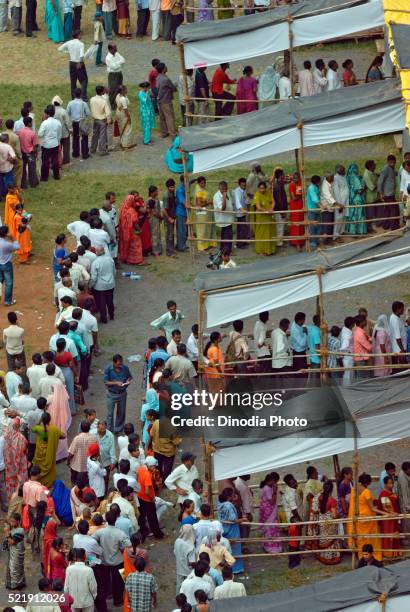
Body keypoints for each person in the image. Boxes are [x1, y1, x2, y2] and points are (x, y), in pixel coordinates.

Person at [347, 473, 385, 561]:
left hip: (358, 519)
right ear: (368, 482)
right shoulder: (366, 492)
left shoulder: (353, 489)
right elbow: (372, 508)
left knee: (361, 539)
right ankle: (372, 555)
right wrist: (385, 513)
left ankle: (362, 556)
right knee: (370, 538)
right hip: (367, 519)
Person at [32, 412, 65, 487]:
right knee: (49, 465)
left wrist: (39, 422)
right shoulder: (54, 430)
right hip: (49, 453)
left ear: (42, 420)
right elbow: (64, 436)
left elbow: (33, 429)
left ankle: (39, 480)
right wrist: (56, 436)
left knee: (39, 466)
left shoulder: (38, 429)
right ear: (50, 420)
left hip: (40, 452)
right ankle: (49, 482)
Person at [217, 487, 245, 574]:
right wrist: (243, 519)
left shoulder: (220, 504)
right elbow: (233, 519)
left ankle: (226, 566)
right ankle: (236, 568)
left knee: (226, 549)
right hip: (232, 530)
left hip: (224, 529)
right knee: (235, 548)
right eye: (233, 495)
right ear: (230, 496)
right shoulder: (229, 506)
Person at [104, 353, 132, 434]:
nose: (120, 365)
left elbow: (129, 377)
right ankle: (109, 430)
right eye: (118, 363)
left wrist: (128, 381)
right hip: (111, 394)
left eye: (121, 363)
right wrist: (116, 383)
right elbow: (106, 382)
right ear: (114, 362)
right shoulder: (108, 369)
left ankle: (118, 429)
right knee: (110, 414)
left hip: (122, 393)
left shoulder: (125, 368)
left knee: (121, 412)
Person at [137, 456, 165, 539]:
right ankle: (158, 534)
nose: (154, 468)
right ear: (149, 465)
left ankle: (144, 530)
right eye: (153, 466)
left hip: (140, 496)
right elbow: (147, 491)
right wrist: (152, 499)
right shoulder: (148, 475)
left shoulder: (142, 468)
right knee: (152, 518)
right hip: (147, 499)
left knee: (142, 515)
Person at [58, 31, 88, 100]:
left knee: (73, 81)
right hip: (78, 62)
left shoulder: (69, 42)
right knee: (84, 80)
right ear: (78, 35)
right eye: (80, 34)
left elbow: (59, 49)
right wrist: (80, 63)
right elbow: (81, 55)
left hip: (71, 63)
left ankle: (73, 97)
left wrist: (68, 52)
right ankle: (83, 96)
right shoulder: (81, 44)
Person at [316, 481, 340, 565]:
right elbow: (334, 515)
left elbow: (319, 509)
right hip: (329, 523)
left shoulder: (320, 497)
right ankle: (331, 557)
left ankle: (323, 555)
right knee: (331, 538)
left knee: (324, 537)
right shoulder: (332, 500)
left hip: (322, 521)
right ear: (332, 490)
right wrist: (339, 515)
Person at [90, 247, 116, 323]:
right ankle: (111, 315)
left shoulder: (95, 262)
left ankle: (104, 318)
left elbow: (94, 277)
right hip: (110, 284)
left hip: (100, 286)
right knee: (110, 300)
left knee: (102, 302)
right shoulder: (110, 260)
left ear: (97, 252)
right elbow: (114, 271)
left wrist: (91, 285)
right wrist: (112, 280)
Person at [4, 417, 27, 499]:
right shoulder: (21, 438)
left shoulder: (6, 436)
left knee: (11, 481)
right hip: (20, 464)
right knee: (20, 480)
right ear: (18, 426)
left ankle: (12, 498)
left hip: (10, 466)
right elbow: (24, 450)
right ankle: (21, 498)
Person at [47, 383, 72, 461]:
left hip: (53, 419)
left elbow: (46, 405)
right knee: (62, 436)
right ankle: (63, 454)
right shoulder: (64, 398)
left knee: (54, 436)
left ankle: (56, 455)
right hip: (62, 420)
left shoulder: (50, 397)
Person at [378, 475, 401, 558]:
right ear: (385, 484)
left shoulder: (391, 492)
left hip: (394, 516)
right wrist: (393, 513)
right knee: (389, 533)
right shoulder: (383, 494)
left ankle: (396, 552)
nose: (391, 485)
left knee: (395, 532)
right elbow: (385, 507)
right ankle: (389, 553)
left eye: (392, 483)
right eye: (389, 483)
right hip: (388, 518)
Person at [259, 472, 282, 554]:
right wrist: (275, 491)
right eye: (276, 481)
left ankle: (270, 546)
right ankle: (270, 547)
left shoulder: (269, 487)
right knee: (271, 529)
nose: (276, 483)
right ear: (272, 480)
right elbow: (272, 501)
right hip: (269, 513)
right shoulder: (267, 488)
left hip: (269, 512)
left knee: (271, 528)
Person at [38, 105, 62, 183]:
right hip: (55, 143)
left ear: (47, 114)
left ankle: (44, 177)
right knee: (55, 160)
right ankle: (56, 175)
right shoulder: (58, 122)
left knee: (45, 161)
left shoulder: (45, 123)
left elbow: (40, 134)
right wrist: (57, 141)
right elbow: (59, 134)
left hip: (46, 144)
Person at [118, 195, 144, 265]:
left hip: (124, 232)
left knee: (127, 245)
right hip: (131, 231)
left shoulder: (122, 209)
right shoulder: (131, 211)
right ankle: (137, 261)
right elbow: (135, 223)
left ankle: (127, 259)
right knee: (136, 244)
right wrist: (140, 230)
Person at [252, 181, 276, 255]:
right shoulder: (257, 195)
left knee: (269, 233)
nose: (262, 190)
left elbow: (273, 202)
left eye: (263, 188)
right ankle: (261, 250)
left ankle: (269, 250)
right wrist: (267, 210)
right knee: (261, 233)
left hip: (269, 217)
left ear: (265, 188)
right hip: (261, 217)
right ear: (258, 188)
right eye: (260, 188)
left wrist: (271, 209)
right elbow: (258, 207)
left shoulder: (268, 193)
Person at [194, 176, 216, 251]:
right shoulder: (199, 191)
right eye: (202, 183)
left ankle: (208, 244)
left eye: (204, 183)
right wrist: (209, 202)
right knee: (202, 230)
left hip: (206, 212)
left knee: (208, 228)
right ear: (198, 183)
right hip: (202, 213)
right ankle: (202, 246)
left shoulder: (203, 190)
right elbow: (199, 204)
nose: (204, 184)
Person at [4, 512, 26, 590]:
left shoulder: (20, 531)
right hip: (13, 552)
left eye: (13, 521)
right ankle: (19, 584)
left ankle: (16, 587)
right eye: (11, 521)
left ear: (18, 521)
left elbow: (12, 542)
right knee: (14, 568)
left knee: (15, 569)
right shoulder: (13, 529)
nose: (11, 523)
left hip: (17, 553)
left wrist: (7, 533)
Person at [156, 62, 177, 139]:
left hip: (159, 100)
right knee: (169, 117)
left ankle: (164, 132)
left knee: (162, 117)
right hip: (166, 100)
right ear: (163, 69)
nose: (166, 67)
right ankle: (173, 133)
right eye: (165, 67)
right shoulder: (166, 79)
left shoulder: (158, 77)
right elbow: (173, 88)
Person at [377, 155, 398, 230]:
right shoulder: (386, 168)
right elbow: (380, 181)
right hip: (387, 194)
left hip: (391, 193)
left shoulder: (392, 169)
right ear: (388, 162)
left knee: (388, 210)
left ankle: (386, 225)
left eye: (394, 162)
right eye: (391, 162)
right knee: (394, 209)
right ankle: (393, 227)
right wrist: (380, 193)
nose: (393, 163)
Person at [90, 85, 112, 156]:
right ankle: (102, 150)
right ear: (102, 91)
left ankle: (93, 149)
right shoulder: (103, 101)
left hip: (95, 119)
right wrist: (109, 121)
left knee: (95, 135)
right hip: (102, 120)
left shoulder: (92, 99)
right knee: (102, 136)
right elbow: (108, 113)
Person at [213, 181, 234, 254]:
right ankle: (226, 251)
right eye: (223, 189)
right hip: (223, 219)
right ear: (219, 188)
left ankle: (224, 249)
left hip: (229, 218)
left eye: (226, 189)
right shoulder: (217, 196)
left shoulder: (227, 192)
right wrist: (224, 197)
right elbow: (222, 208)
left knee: (227, 234)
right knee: (227, 235)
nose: (225, 191)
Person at [18, 116, 39, 189]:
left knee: (23, 169)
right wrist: (36, 154)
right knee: (32, 168)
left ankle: (23, 184)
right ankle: (33, 183)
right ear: (29, 123)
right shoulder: (32, 133)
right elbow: (35, 145)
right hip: (30, 153)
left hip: (22, 152)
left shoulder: (20, 132)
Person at [345, 164, 367, 235]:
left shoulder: (348, 177)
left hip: (351, 199)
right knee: (359, 215)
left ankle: (352, 231)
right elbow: (359, 191)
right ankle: (360, 231)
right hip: (357, 199)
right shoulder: (355, 178)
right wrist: (364, 188)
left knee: (353, 215)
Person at [174, 524, 196, 593]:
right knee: (188, 589)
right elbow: (192, 562)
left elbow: (175, 552)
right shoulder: (190, 547)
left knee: (179, 586)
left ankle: (179, 599)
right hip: (188, 572)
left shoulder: (177, 541)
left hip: (179, 569)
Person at [288, 171, 304, 249]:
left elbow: (299, 194)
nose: (295, 179)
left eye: (296, 178)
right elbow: (294, 198)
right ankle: (295, 242)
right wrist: (301, 196)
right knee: (295, 224)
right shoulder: (292, 185)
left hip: (300, 205)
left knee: (300, 223)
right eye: (293, 178)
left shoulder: (300, 184)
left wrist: (301, 196)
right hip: (294, 206)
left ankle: (300, 241)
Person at [106, 44, 125, 109]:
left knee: (119, 88)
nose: (116, 49)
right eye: (115, 48)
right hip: (113, 75)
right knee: (113, 90)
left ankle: (118, 103)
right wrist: (120, 63)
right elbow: (114, 67)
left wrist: (118, 63)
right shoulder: (108, 58)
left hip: (119, 73)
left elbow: (123, 60)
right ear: (110, 49)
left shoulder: (117, 54)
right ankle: (112, 105)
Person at [333, 164, 349, 239]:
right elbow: (336, 192)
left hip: (345, 201)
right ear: (338, 170)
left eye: (344, 170)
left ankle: (342, 231)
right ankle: (336, 235)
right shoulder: (335, 178)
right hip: (340, 202)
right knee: (338, 218)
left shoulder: (344, 177)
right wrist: (339, 204)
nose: (344, 171)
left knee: (343, 217)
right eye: (342, 170)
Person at [389, 301, 407, 368]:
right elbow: (398, 337)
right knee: (402, 367)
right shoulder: (395, 320)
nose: (403, 310)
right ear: (398, 309)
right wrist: (402, 350)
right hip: (399, 349)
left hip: (399, 347)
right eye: (402, 309)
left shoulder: (395, 317)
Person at [363, 160, 378, 232]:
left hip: (374, 197)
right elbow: (372, 187)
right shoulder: (366, 175)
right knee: (370, 214)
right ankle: (369, 228)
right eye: (374, 165)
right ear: (370, 166)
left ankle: (371, 227)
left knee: (372, 213)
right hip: (369, 198)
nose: (375, 166)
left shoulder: (371, 172)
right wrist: (380, 186)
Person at [398, 462, 410, 548]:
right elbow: (404, 494)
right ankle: (406, 540)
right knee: (406, 523)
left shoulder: (404, 473)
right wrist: (408, 507)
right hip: (406, 505)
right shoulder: (403, 479)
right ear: (407, 470)